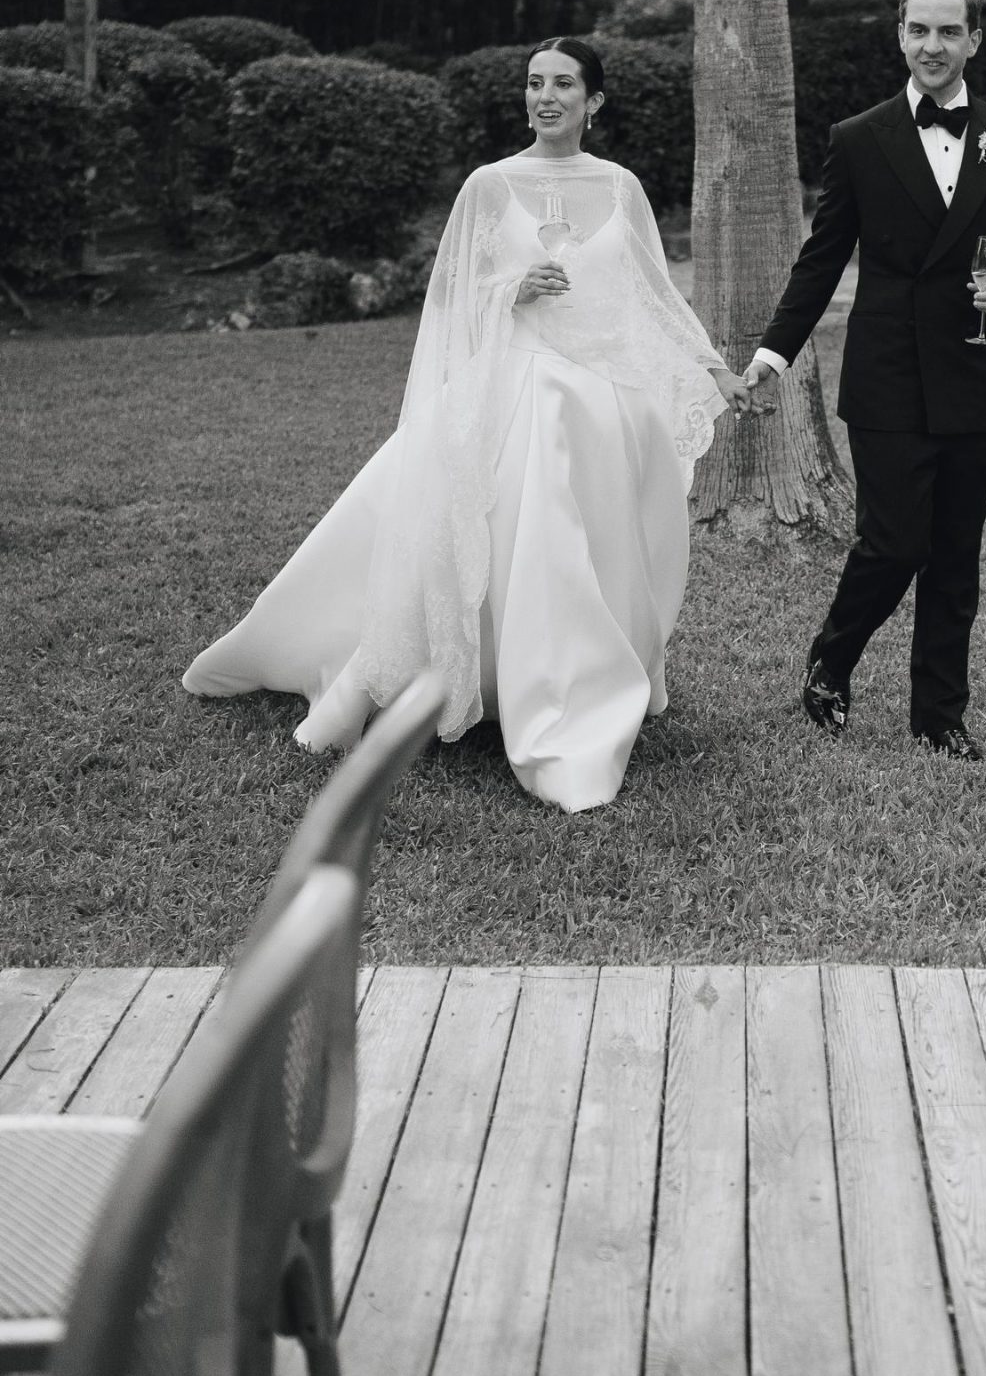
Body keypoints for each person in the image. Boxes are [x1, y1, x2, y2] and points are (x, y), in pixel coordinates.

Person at [183, 41, 749, 812]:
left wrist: (711, 367)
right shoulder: (489, 186)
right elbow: (448, 300)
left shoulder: (621, 187)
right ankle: (473, 686)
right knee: (493, 537)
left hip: (603, 410)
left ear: (595, 102)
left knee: (590, 549)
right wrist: (509, 288)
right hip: (510, 394)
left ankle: (575, 683)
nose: (545, 97)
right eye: (534, 84)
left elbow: (653, 296)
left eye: (563, 85)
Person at [744, 0, 986, 761]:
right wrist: (773, 354)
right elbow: (821, 261)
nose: (932, 45)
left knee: (955, 554)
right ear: (900, 35)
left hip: (971, 372)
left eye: (949, 31)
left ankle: (939, 717)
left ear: (973, 40)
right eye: (919, 29)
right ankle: (830, 662)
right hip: (884, 377)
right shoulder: (859, 137)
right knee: (893, 543)